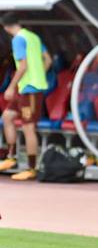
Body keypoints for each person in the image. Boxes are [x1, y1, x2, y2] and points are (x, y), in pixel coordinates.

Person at [0, 14, 52, 181]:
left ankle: (31, 168)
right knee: (7, 117)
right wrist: (39, 74)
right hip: (26, 87)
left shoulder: (18, 40)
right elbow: (48, 60)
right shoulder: (33, 36)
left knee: (28, 127)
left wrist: (10, 86)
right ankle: (11, 157)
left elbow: (23, 65)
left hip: (30, 89)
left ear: (5, 27)